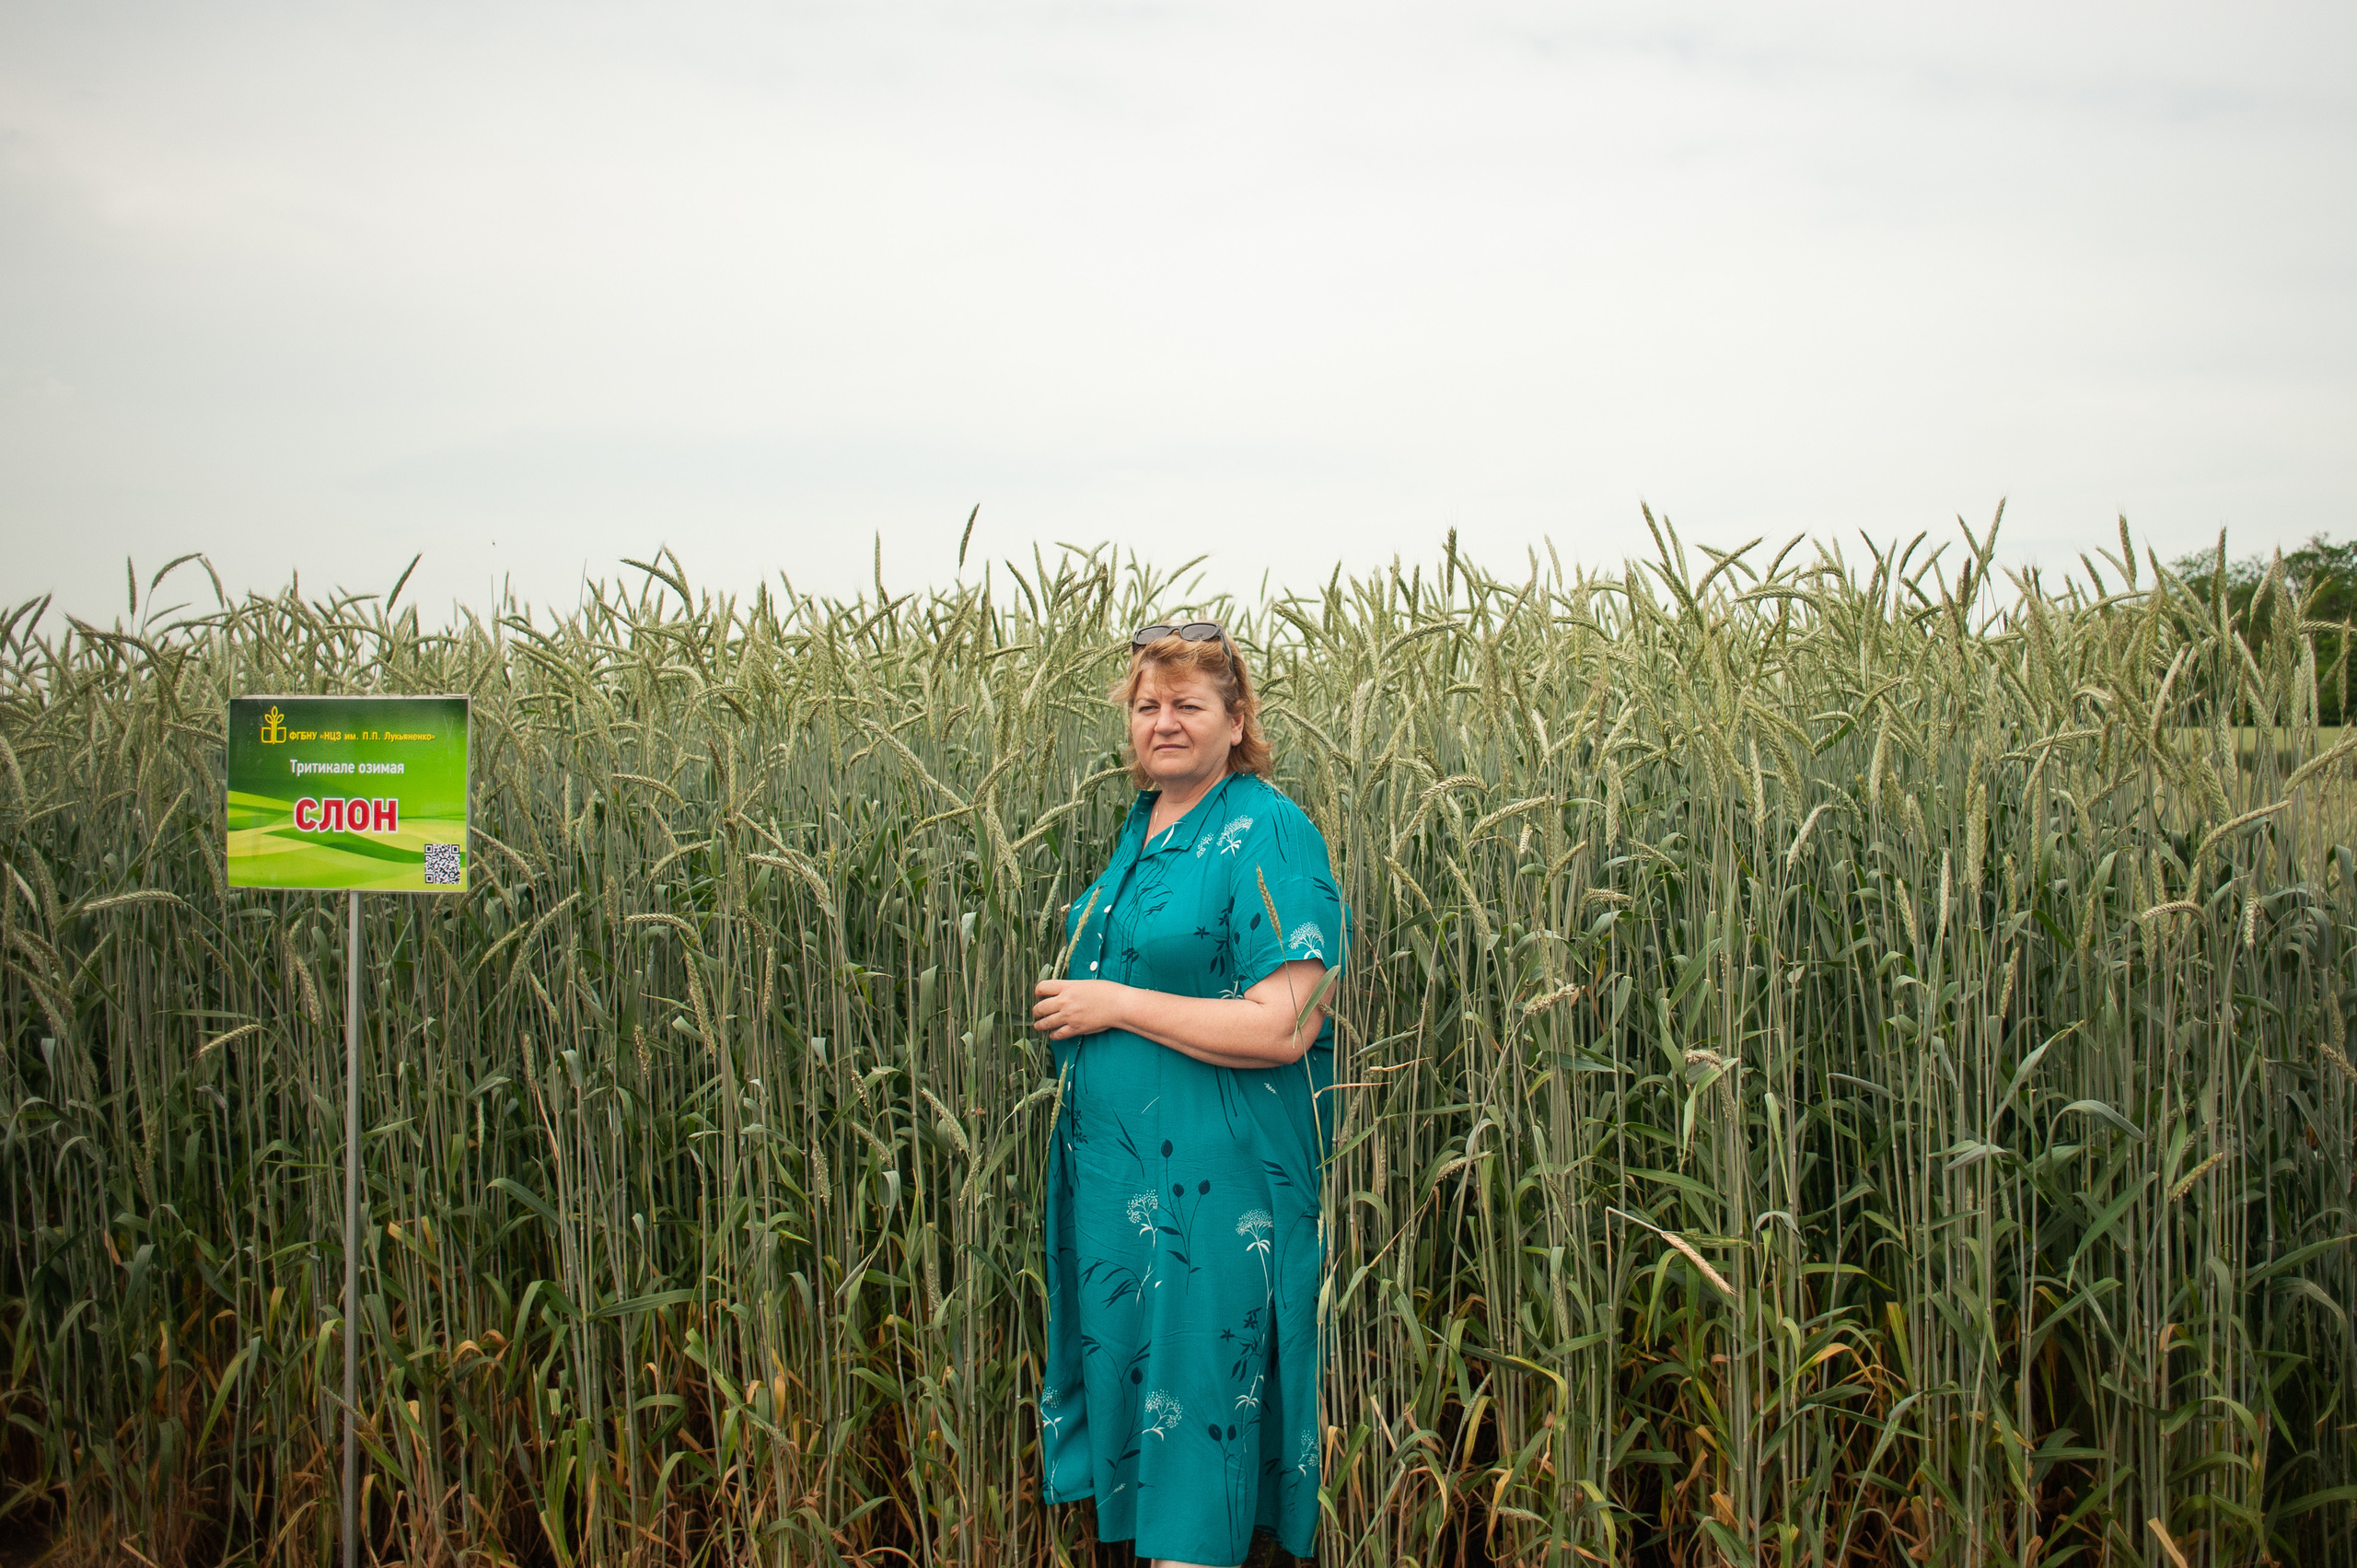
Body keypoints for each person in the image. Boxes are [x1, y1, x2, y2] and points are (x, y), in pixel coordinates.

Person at [1031, 619, 1343, 1568]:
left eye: (1187, 704)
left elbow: (1288, 1021)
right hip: (1128, 1206)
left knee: (1199, 1454)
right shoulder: (1143, 829)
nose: (1162, 721)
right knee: (1158, 1453)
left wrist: (1113, 1003)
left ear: (1236, 719)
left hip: (1213, 1206)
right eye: (1146, 705)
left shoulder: (1268, 827)